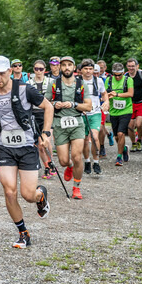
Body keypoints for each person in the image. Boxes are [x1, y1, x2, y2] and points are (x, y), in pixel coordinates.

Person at [0, 56, 54, 249]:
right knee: (9, 191)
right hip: (4, 147)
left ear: (10, 71)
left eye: (2, 73)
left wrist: (46, 132)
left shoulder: (25, 89)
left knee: (28, 195)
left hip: (27, 147)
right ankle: (23, 233)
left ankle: (40, 195)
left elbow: (48, 106)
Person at [49, 56, 92, 199]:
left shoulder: (81, 84)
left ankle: (76, 187)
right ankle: (69, 166)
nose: (67, 67)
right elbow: (46, 102)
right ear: (60, 68)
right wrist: (55, 104)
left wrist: (74, 104)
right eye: (64, 65)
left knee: (77, 156)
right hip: (60, 123)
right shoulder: (54, 84)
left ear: (74, 68)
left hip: (77, 123)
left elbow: (89, 106)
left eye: (69, 65)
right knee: (63, 161)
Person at [79, 58, 108, 175]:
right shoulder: (77, 82)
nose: (88, 71)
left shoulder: (99, 80)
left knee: (95, 137)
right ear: (81, 70)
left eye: (90, 69)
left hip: (95, 113)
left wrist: (106, 102)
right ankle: (87, 161)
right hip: (81, 114)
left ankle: (96, 162)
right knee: (85, 140)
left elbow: (104, 93)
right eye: (85, 69)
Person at [29, 59, 56, 177]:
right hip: (34, 114)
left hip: (47, 113)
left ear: (45, 70)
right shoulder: (29, 83)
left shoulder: (51, 81)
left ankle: (51, 163)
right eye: (36, 69)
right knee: (39, 144)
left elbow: (56, 96)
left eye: (41, 69)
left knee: (46, 141)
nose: (38, 71)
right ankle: (46, 166)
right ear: (33, 70)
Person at [105, 63, 134, 166]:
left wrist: (116, 94)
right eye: (115, 75)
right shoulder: (108, 80)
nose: (117, 77)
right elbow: (105, 95)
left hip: (126, 110)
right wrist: (108, 97)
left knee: (121, 133)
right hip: (114, 111)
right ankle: (124, 148)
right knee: (117, 136)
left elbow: (130, 94)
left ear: (123, 73)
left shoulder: (128, 80)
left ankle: (119, 157)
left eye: (119, 75)